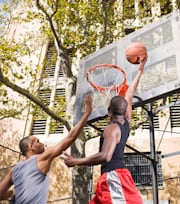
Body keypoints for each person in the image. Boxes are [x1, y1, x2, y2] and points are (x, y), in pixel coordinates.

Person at [62, 56, 147, 204]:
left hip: (114, 176)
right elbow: (130, 92)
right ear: (126, 109)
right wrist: (140, 69)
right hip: (113, 177)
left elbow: (105, 156)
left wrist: (76, 160)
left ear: (109, 111)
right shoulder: (126, 121)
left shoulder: (112, 128)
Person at [0, 95, 93, 203]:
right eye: (38, 142)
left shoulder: (15, 170)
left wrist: (13, 192)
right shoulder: (40, 159)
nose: (42, 143)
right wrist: (86, 114)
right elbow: (70, 138)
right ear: (31, 147)